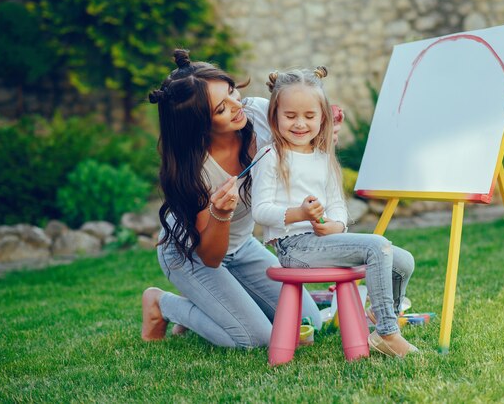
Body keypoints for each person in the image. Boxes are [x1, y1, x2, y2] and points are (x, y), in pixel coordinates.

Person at [141, 49, 327, 348]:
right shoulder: (195, 171)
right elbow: (210, 257)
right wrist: (220, 213)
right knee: (253, 339)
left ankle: (210, 301)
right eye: (220, 109)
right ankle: (163, 304)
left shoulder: (259, 114)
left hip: (241, 248)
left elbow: (302, 144)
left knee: (308, 322)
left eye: (231, 92)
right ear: (198, 122)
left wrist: (326, 131)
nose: (235, 105)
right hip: (193, 254)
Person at [251, 66, 418, 357]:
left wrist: (337, 226)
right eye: (290, 116)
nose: (300, 124)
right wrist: (299, 214)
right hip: (293, 247)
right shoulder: (270, 156)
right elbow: (260, 211)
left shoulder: (323, 157)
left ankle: (383, 314)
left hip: (322, 241)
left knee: (402, 260)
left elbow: (338, 205)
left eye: (309, 116)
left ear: (323, 117)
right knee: (379, 246)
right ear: (274, 116)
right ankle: (387, 333)